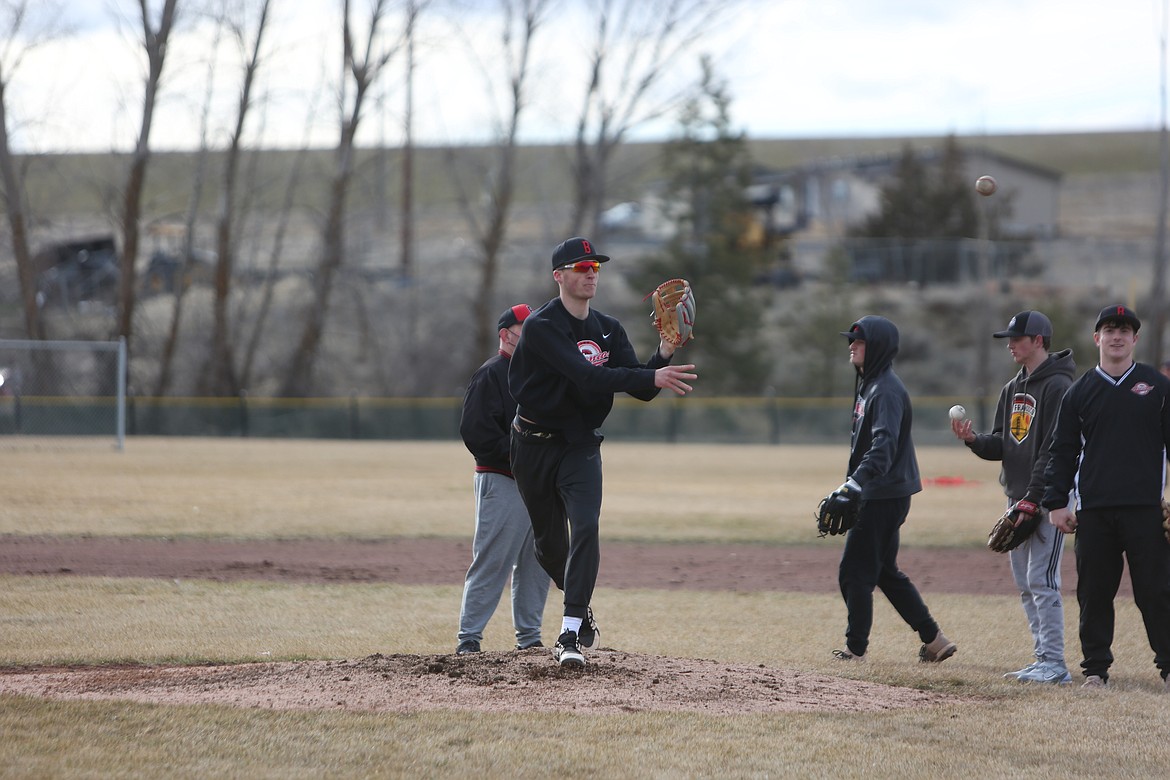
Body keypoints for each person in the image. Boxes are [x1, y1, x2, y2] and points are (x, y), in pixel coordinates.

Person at [508, 236, 697, 667]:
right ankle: (580, 602)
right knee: (550, 545)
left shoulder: (608, 328)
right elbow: (585, 377)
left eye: (595, 266)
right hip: (533, 444)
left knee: (587, 527)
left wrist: (664, 351)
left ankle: (569, 631)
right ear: (559, 276)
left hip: (580, 446)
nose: (591, 272)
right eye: (581, 267)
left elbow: (639, 387)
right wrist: (651, 377)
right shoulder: (543, 326)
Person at [1042, 304, 1170, 691]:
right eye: (1109, 329)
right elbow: (1061, 451)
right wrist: (1056, 503)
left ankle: (1168, 667)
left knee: (1157, 590)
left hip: (1145, 509)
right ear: (1096, 338)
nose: (1117, 336)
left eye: (1125, 330)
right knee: (1094, 593)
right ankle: (1095, 670)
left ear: (1135, 339)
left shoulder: (1157, 386)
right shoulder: (1080, 391)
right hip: (1094, 511)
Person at [951, 310, 1075, 683]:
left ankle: (1055, 663)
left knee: (1042, 579)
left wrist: (1035, 499)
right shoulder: (1012, 388)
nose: (1010, 344)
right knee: (1024, 582)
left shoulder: (1059, 387)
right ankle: (1043, 658)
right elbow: (1002, 444)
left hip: (1048, 499)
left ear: (1038, 340)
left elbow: (1054, 450)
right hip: (1017, 496)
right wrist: (973, 440)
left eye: (1017, 338)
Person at [827, 315, 956, 664]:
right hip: (884, 490)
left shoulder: (885, 389)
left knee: (854, 572)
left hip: (883, 493)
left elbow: (883, 447)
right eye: (850, 339)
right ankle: (934, 640)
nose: (851, 345)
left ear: (879, 347)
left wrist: (855, 485)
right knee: (884, 571)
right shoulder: (872, 383)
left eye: (860, 341)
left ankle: (855, 650)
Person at [455, 304, 551, 655]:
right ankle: (469, 639)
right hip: (503, 480)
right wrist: (522, 453)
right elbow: (475, 432)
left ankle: (529, 639)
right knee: (493, 561)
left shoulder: (540, 373)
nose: (532, 334)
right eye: (525, 328)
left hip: (540, 486)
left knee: (538, 563)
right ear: (505, 334)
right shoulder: (492, 373)